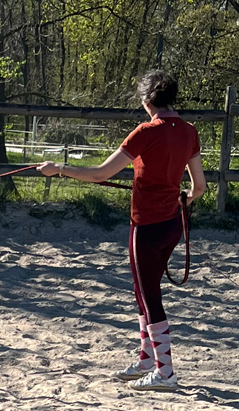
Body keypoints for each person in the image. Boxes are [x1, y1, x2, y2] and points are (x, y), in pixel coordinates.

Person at [37, 70, 207, 391]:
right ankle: (147, 359)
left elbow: (100, 173)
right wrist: (181, 197)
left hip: (145, 226)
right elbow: (199, 187)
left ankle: (165, 371)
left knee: (149, 295)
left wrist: (58, 169)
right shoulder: (190, 132)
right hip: (172, 225)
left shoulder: (144, 132)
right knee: (143, 291)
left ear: (146, 101)